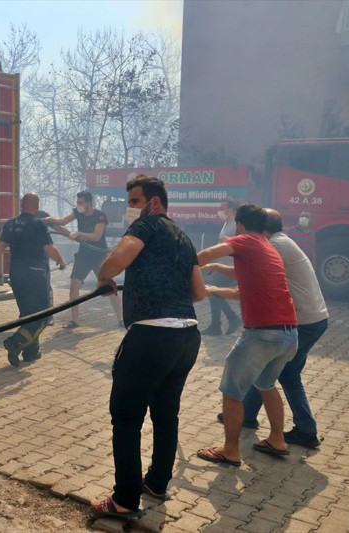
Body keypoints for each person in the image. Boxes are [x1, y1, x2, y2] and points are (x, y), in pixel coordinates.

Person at [89, 175, 205, 519]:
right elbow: (199, 293)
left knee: (125, 418)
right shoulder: (184, 238)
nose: (130, 209)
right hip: (187, 337)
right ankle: (156, 483)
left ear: (155, 203)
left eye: (135, 201)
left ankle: (124, 499)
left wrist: (104, 277)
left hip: (151, 337)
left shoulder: (148, 226)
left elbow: (116, 260)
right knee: (166, 414)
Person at [208, 209, 328, 448]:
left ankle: (306, 430)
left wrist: (211, 286)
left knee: (285, 374)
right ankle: (249, 416)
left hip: (301, 320)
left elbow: (249, 280)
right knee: (266, 372)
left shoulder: (273, 246)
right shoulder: (279, 242)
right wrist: (219, 270)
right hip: (309, 318)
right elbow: (247, 274)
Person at [196, 205, 297, 468]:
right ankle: (277, 439)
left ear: (239, 225)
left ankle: (230, 450)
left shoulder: (244, 240)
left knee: (232, 392)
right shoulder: (267, 248)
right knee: (266, 385)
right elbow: (243, 287)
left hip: (262, 334)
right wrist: (212, 286)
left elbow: (205, 254)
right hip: (288, 335)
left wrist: (179, 267)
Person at [0, 193, 67, 367]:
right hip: (35, 273)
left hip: (16, 273)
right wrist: (60, 260)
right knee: (43, 314)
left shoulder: (10, 223)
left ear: (22, 205)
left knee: (27, 313)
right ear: (36, 206)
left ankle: (31, 352)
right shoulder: (38, 224)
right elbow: (49, 248)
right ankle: (15, 342)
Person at [44, 190, 123, 329]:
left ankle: (121, 319)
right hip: (83, 256)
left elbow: (96, 236)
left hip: (99, 257)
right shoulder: (78, 213)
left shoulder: (100, 216)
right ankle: (75, 321)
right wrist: (49, 219)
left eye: (81, 202)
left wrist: (78, 233)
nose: (78, 205)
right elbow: (63, 221)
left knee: (110, 286)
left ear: (88, 203)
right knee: (74, 285)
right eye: (78, 202)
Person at [201, 199, 242, 336]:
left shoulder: (236, 224)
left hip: (230, 266)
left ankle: (225, 321)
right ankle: (221, 323)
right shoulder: (227, 223)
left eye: (223, 208)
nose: (220, 210)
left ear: (231, 210)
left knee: (214, 292)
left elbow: (239, 243)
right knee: (214, 292)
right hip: (223, 264)